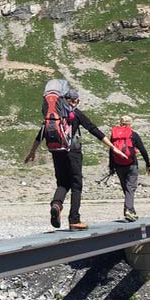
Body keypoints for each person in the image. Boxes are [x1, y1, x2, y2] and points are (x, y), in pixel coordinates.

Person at [23, 88, 125, 231]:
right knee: (76, 184)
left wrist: (32, 152)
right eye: (76, 100)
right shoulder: (75, 113)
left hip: (57, 152)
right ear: (73, 101)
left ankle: (56, 205)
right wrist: (112, 147)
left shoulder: (53, 116)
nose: (77, 103)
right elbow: (93, 129)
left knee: (62, 183)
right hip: (73, 153)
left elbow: (41, 134)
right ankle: (74, 220)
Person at [108, 114, 150, 222]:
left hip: (119, 165)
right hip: (132, 165)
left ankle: (130, 211)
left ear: (120, 123)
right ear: (130, 124)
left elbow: (111, 151)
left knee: (126, 189)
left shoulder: (114, 136)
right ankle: (129, 211)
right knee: (130, 188)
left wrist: (111, 167)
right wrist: (148, 164)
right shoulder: (133, 134)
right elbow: (143, 150)